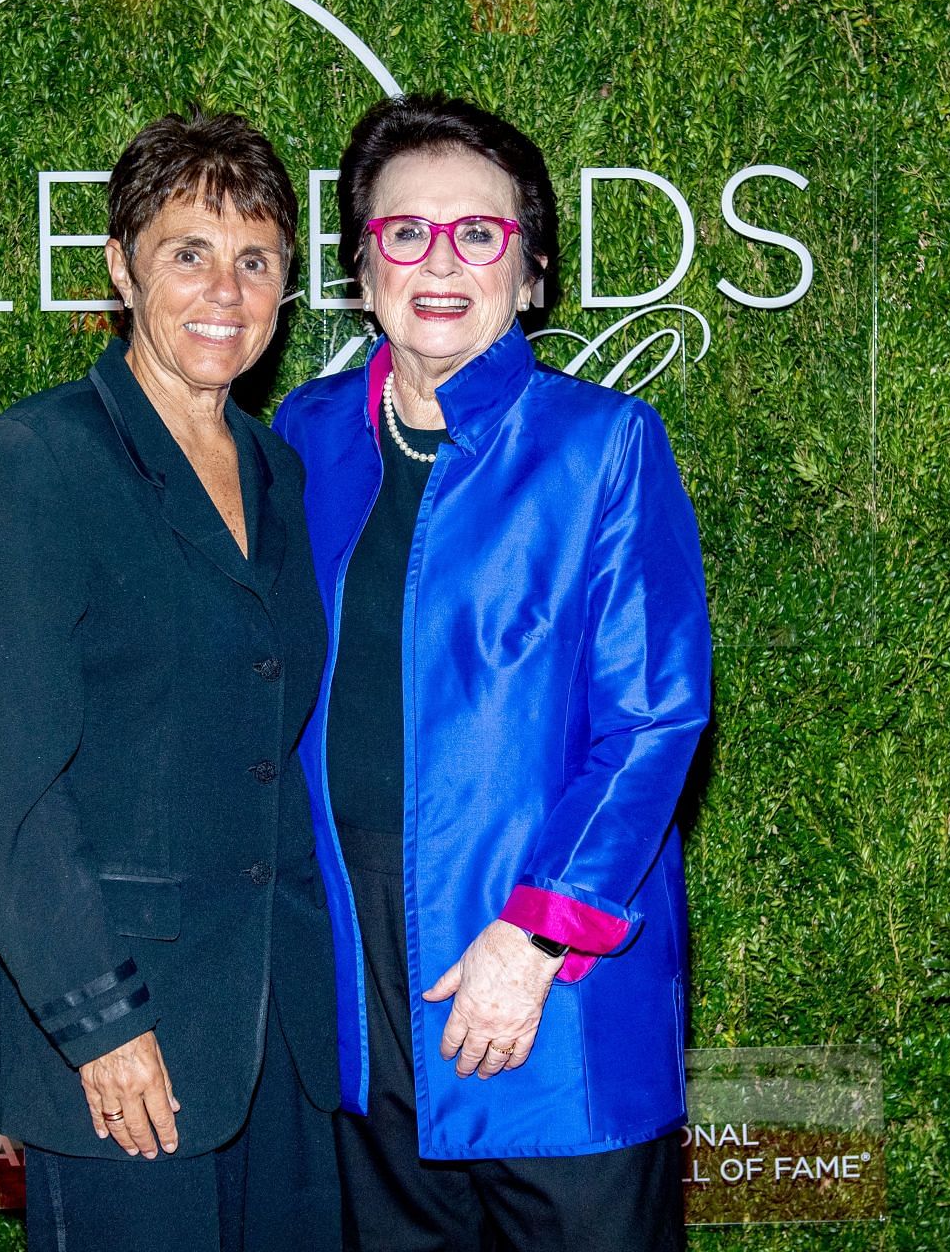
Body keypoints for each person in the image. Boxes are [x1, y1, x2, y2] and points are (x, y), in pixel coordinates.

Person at [273, 94, 712, 1252]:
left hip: (556, 988)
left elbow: (655, 720)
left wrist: (537, 937)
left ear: (531, 275)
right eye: (404, 232)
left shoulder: (605, 443)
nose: (441, 261)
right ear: (361, 270)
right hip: (363, 989)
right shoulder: (301, 440)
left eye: (481, 234)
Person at [0, 111, 341, 1252]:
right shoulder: (45, 455)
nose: (225, 288)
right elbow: (22, 793)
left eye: (256, 258)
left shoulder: (283, 466)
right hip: (128, 1043)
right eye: (189, 251)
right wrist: (101, 1023)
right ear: (123, 267)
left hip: (285, 1041)